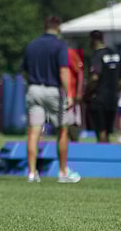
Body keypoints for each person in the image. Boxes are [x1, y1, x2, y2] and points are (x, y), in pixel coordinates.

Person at [21, 16, 81, 183]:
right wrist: (69, 94)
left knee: (33, 132)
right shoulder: (60, 45)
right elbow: (63, 71)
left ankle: (32, 173)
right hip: (53, 90)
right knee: (62, 130)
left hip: (34, 89)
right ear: (58, 28)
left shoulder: (32, 45)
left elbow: (24, 70)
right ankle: (62, 172)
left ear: (44, 27)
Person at [83, 31, 121, 143]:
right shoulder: (115, 54)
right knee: (107, 131)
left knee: (101, 131)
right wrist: (117, 90)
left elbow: (94, 78)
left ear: (93, 40)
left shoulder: (96, 56)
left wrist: (86, 94)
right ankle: (107, 150)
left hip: (98, 98)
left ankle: (103, 152)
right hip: (112, 98)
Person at [65, 47, 84, 141]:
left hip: (69, 94)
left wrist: (79, 92)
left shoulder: (69, 52)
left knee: (71, 122)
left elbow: (79, 72)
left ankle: (75, 144)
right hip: (53, 93)